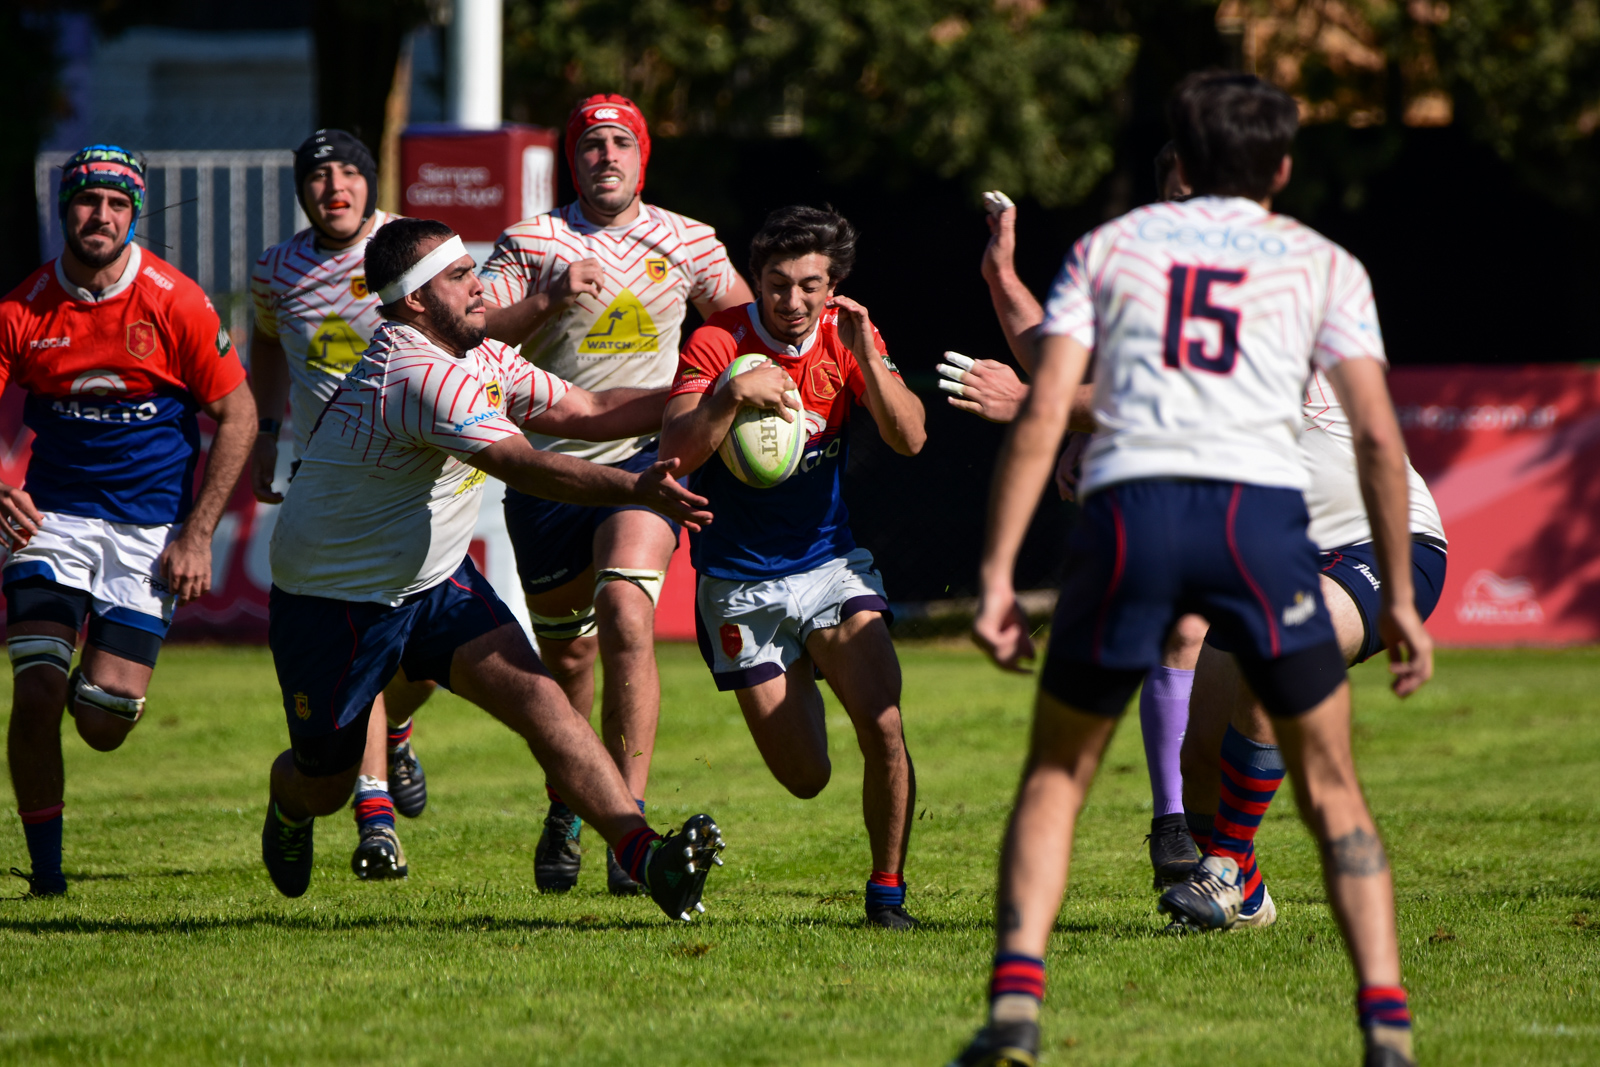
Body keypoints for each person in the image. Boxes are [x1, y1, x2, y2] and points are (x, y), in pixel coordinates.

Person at [950, 73, 1432, 1067]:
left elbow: (1054, 399)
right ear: (1283, 168)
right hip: (1261, 528)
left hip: (1169, 519)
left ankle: (1014, 1009)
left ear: (1175, 161)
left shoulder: (1114, 248)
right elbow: (1380, 436)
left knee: (1054, 773)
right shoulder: (1319, 265)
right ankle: (1380, 1020)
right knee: (1310, 773)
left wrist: (996, 573)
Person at [259, 217, 724, 923]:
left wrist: (712, 394)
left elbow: (590, 407)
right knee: (324, 784)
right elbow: (523, 464)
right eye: (457, 278)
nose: (481, 288)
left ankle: (647, 857)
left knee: (546, 704)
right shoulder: (417, 371)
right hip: (335, 599)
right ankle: (288, 802)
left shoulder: (481, 353)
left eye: (472, 270)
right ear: (415, 301)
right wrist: (637, 488)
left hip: (434, 581)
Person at [478, 94, 754, 895]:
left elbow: (747, 326)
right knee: (568, 659)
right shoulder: (532, 242)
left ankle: (626, 825)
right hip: (546, 469)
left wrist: (726, 398)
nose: (605, 156)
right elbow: (474, 333)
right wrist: (548, 300)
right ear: (572, 159)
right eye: (591, 144)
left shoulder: (688, 239)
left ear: (643, 157)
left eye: (619, 144)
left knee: (627, 609)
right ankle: (569, 801)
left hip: (650, 459)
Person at [658, 205, 927, 930]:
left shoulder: (847, 338)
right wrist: (727, 396)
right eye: (777, 283)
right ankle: (799, 659)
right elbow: (673, 456)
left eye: (810, 284)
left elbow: (910, 439)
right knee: (807, 778)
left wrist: (867, 354)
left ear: (833, 284)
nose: (792, 300)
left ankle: (887, 894)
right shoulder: (719, 342)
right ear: (757, 280)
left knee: (885, 723)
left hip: (830, 567)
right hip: (740, 586)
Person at [939, 171, 1209, 890]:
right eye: (1177, 191)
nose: (1187, 205)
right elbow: (1067, 357)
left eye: (1202, 187)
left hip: (1288, 488)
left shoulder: (1263, 272)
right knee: (1181, 632)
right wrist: (1001, 275)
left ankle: (1210, 837)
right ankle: (1177, 826)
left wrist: (1046, 407)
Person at [0, 145, 256, 896]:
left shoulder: (176, 301)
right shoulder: (23, 308)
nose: (100, 216)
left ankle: (99, 678)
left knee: (104, 722)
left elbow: (237, 415)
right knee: (37, 687)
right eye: (87, 201)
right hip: (53, 522)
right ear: (64, 209)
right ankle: (45, 873)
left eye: (116, 204)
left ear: (134, 214)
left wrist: (199, 533)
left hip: (147, 534)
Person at [250, 128, 435, 882]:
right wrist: (267, 429)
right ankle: (375, 816)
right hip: (331, 488)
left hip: (418, 477)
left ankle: (399, 729)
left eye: (348, 173)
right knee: (357, 652)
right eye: (318, 177)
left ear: (371, 181)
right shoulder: (277, 269)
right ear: (301, 192)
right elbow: (265, 341)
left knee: (421, 657)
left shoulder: (410, 246)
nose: (335, 188)